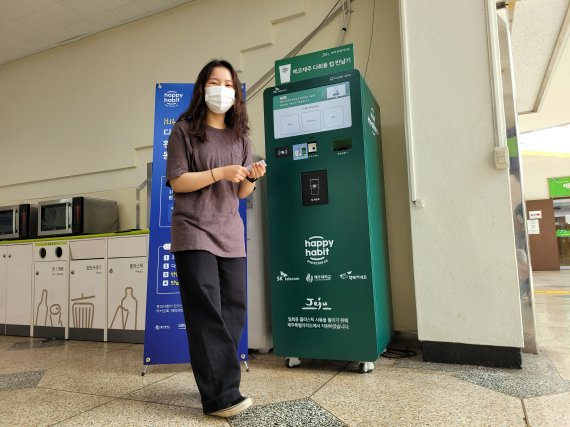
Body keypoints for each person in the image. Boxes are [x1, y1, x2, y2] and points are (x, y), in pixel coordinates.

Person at [165, 59, 266, 418]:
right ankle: (221, 396)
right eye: (214, 82)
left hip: (229, 234)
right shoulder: (184, 131)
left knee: (233, 312)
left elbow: (240, 194)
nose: (221, 90)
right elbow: (178, 181)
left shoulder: (242, 138)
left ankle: (221, 386)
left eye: (228, 84)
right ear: (202, 88)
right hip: (193, 230)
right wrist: (220, 171)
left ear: (235, 93)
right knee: (206, 311)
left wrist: (251, 176)